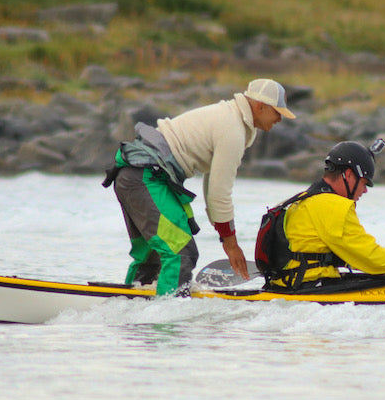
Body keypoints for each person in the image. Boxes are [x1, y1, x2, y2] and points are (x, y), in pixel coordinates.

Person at [103, 78, 296, 295]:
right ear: (260, 106)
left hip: (134, 176)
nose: (280, 118)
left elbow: (212, 187)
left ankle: (130, 308)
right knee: (181, 253)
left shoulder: (229, 118)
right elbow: (219, 193)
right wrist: (231, 244)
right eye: (278, 112)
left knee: (152, 255)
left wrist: (224, 236)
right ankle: (167, 318)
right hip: (145, 177)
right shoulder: (232, 129)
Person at [267, 140, 385, 289]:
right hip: (309, 288)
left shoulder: (303, 200)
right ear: (349, 175)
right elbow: (373, 259)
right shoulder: (332, 205)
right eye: (364, 182)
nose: (365, 190)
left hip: (287, 285)